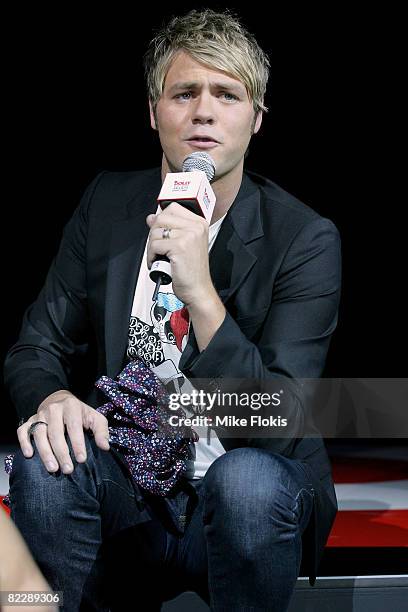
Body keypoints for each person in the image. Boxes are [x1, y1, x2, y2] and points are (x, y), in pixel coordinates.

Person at [3, 9, 341, 611]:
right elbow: (36, 347)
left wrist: (201, 296)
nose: (204, 111)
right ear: (153, 112)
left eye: (227, 95)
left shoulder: (304, 237)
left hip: (246, 492)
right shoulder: (107, 202)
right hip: (131, 485)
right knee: (47, 461)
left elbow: (279, 421)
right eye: (184, 93)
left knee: (246, 482)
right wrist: (51, 399)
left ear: (256, 119)